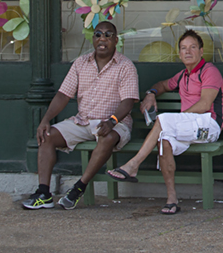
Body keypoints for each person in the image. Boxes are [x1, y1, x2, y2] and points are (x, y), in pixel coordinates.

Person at [107, 30, 223, 215]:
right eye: (183, 48)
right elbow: (162, 84)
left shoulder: (210, 71)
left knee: (164, 121)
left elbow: (204, 105)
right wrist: (151, 94)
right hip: (188, 127)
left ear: (201, 51)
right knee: (164, 141)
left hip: (208, 127)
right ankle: (172, 199)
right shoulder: (182, 76)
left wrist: (176, 120)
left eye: (193, 47)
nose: (188, 52)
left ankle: (133, 165)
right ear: (179, 54)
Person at [23, 21, 139, 210]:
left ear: (116, 40)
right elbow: (63, 95)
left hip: (115, 123)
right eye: (98, 34)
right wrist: (45, 120)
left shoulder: (125, 66)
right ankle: (43, 193)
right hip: (83, 121)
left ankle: (78, 188)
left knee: (107, 136)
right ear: (93, 39)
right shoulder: (80, 63)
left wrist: (112, 121)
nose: (103, 39)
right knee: (48, 135)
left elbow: (128, 101)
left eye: (108, 35)